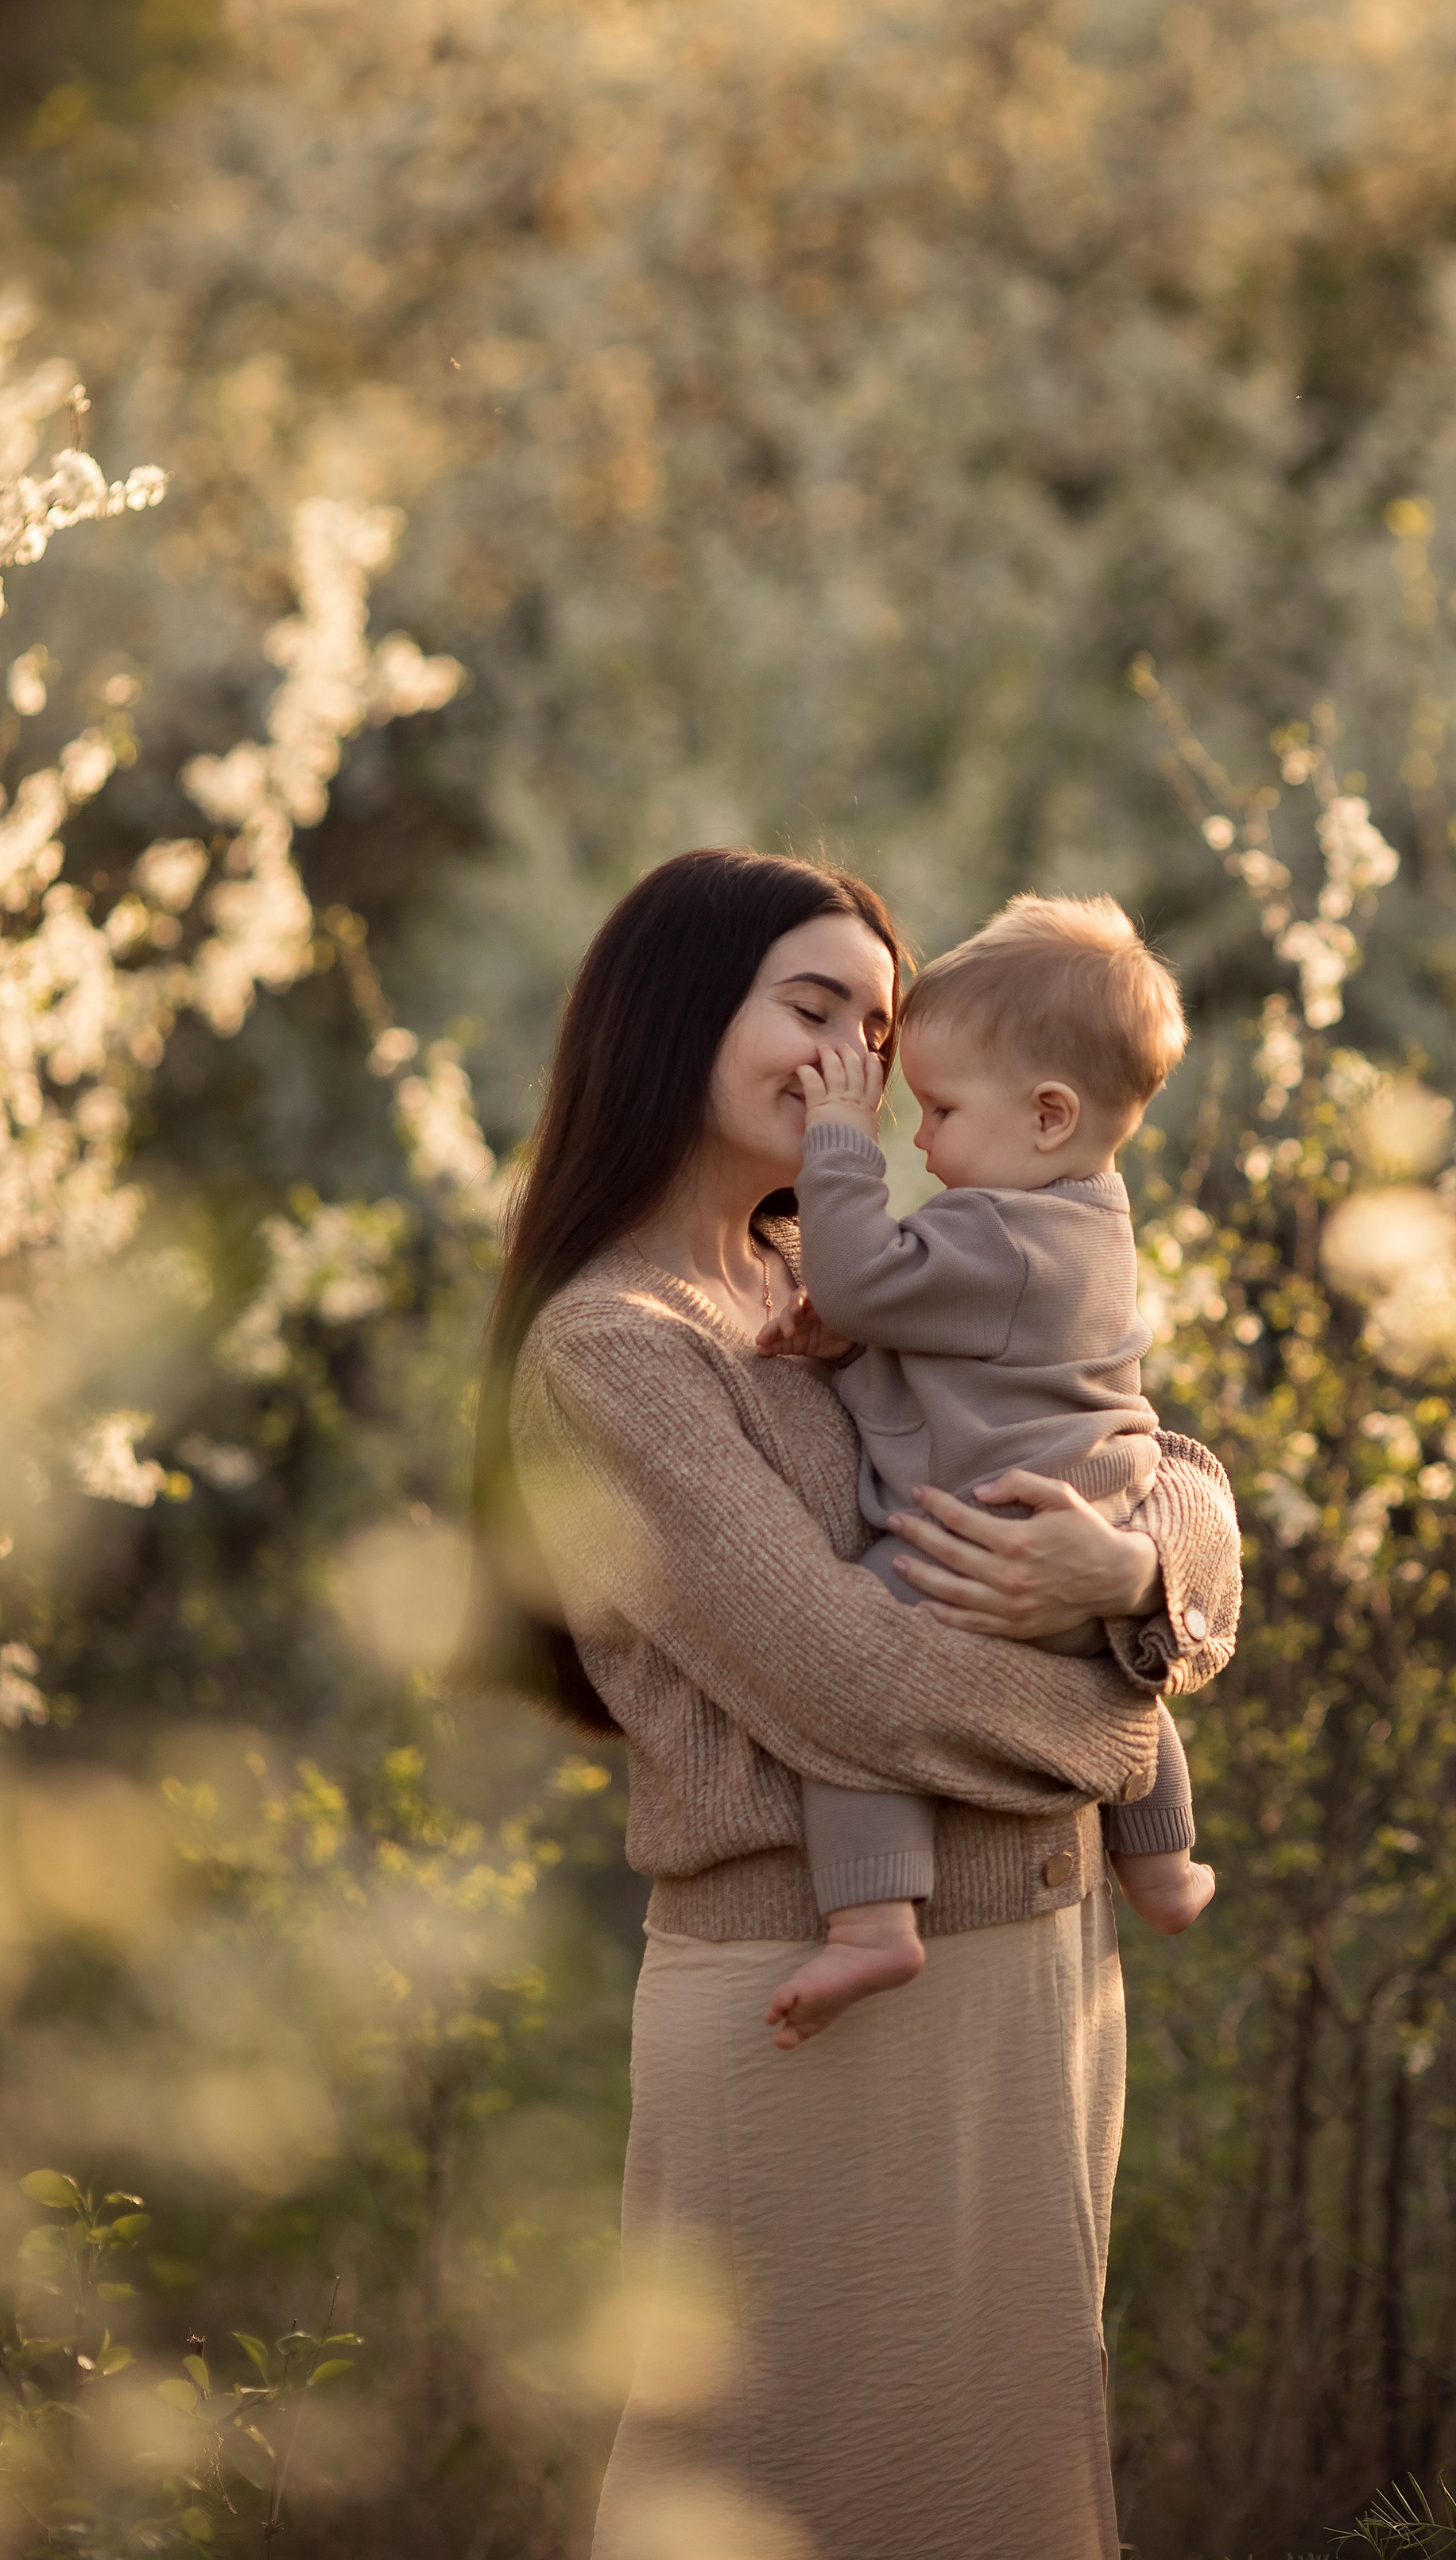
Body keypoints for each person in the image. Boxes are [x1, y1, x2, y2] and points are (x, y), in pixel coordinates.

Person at [470, 848, 1241, 2560]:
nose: (855, 1058)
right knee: (793, 2498)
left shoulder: (850, 1281)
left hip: (1037, 1984)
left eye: (878, 1027)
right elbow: (851, 1681)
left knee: (1007, 2507)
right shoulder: (615, 1351)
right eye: (809, 1006)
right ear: (677, 1021)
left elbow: (1155, 1461)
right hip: (804, 2013)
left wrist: (1129, 1585)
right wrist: (1128, 1736)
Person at [757, 892, 1215, 2051]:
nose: (916, 1138)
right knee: (1131, 1690)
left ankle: (873, 1918)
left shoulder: (1000, 1230)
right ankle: (1164, 1865)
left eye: (940, 1109)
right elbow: (950, 1351)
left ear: (1049, 1115)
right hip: (1094, 1528)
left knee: (849, 1695)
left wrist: (840, 1141)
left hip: (978, 1545)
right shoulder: (1080, 1229)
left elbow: (864, 1276)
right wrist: (851, 1343)